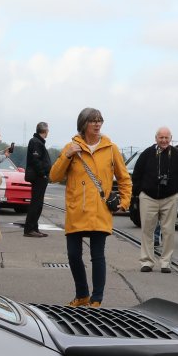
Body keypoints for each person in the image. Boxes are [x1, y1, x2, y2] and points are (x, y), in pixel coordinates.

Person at [50, 107, 132, 307]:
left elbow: (124, 178)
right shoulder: (71, 147)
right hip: (77, 209)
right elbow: (54, 176)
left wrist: (124, 202)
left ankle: (96, 299)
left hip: (100, 210)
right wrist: (67, 155)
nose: (97, 124)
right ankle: (82, 295)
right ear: (83, 124)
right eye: (93, 121)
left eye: (99, 120)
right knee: (73, 255)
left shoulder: (111, 148)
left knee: (98, 256)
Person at [132, 127, 178, 274]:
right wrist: (139, 192)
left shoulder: (177, 154)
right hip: (148, 197)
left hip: (170, 198)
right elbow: (137, 174)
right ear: (156, 138)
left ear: (170, 138)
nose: (164, 140)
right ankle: (147, 261)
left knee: (168, 231)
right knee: (147, 230)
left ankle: (166, 262)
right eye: (161, 138)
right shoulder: (146, 154)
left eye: (166, 138)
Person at [22, 122, 52, 237]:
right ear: (44, 130)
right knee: (36, 203)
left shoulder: (38, 142)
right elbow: (36, 160)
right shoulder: (35, 142)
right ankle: (29, 229)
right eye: (47, 130)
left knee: (38, 204)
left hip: (40, 177)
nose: (48, 132)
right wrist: (43, 173)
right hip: (39, 177)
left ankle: (34, 228)